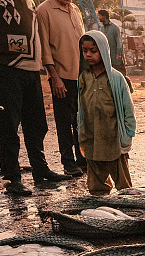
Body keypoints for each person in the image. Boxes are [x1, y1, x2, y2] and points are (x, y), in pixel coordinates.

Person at [0, 0, 68, 196]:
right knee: (8, 125)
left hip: (32, 68)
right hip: (4, 68)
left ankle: (40, 169)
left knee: (36, 123)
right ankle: (12, 178)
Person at [77, 31, 135, 196]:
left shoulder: (116, 79)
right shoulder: (83, 77)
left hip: (113, 137)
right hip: (91, 136)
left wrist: (129, 132)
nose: (88, 55)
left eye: (93, 51)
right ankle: (100, 203)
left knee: (124, 187)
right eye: (85, 51)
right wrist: (80, 128)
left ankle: (129, 209)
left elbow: (127, 108)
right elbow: (80, 107)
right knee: (96, 185)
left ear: (103, 50)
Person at [37, 0, 86, 177]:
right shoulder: (43, 10)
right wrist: (54, 76)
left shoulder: (74, 10)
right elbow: (43, 45)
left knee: (80, 120)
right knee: (64, 121)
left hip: (80, 75)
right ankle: (68, 162)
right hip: (61, 76)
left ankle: (83, 159)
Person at [97, 9, 130, 90]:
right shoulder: (102, 29)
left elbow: (119, 42)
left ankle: (128, 89)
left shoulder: (115, 27)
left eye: (100, 16)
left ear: (104, 16)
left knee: (121, 75)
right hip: (107, 57)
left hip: (116, 56)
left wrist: (118, 54)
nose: (99, 18)